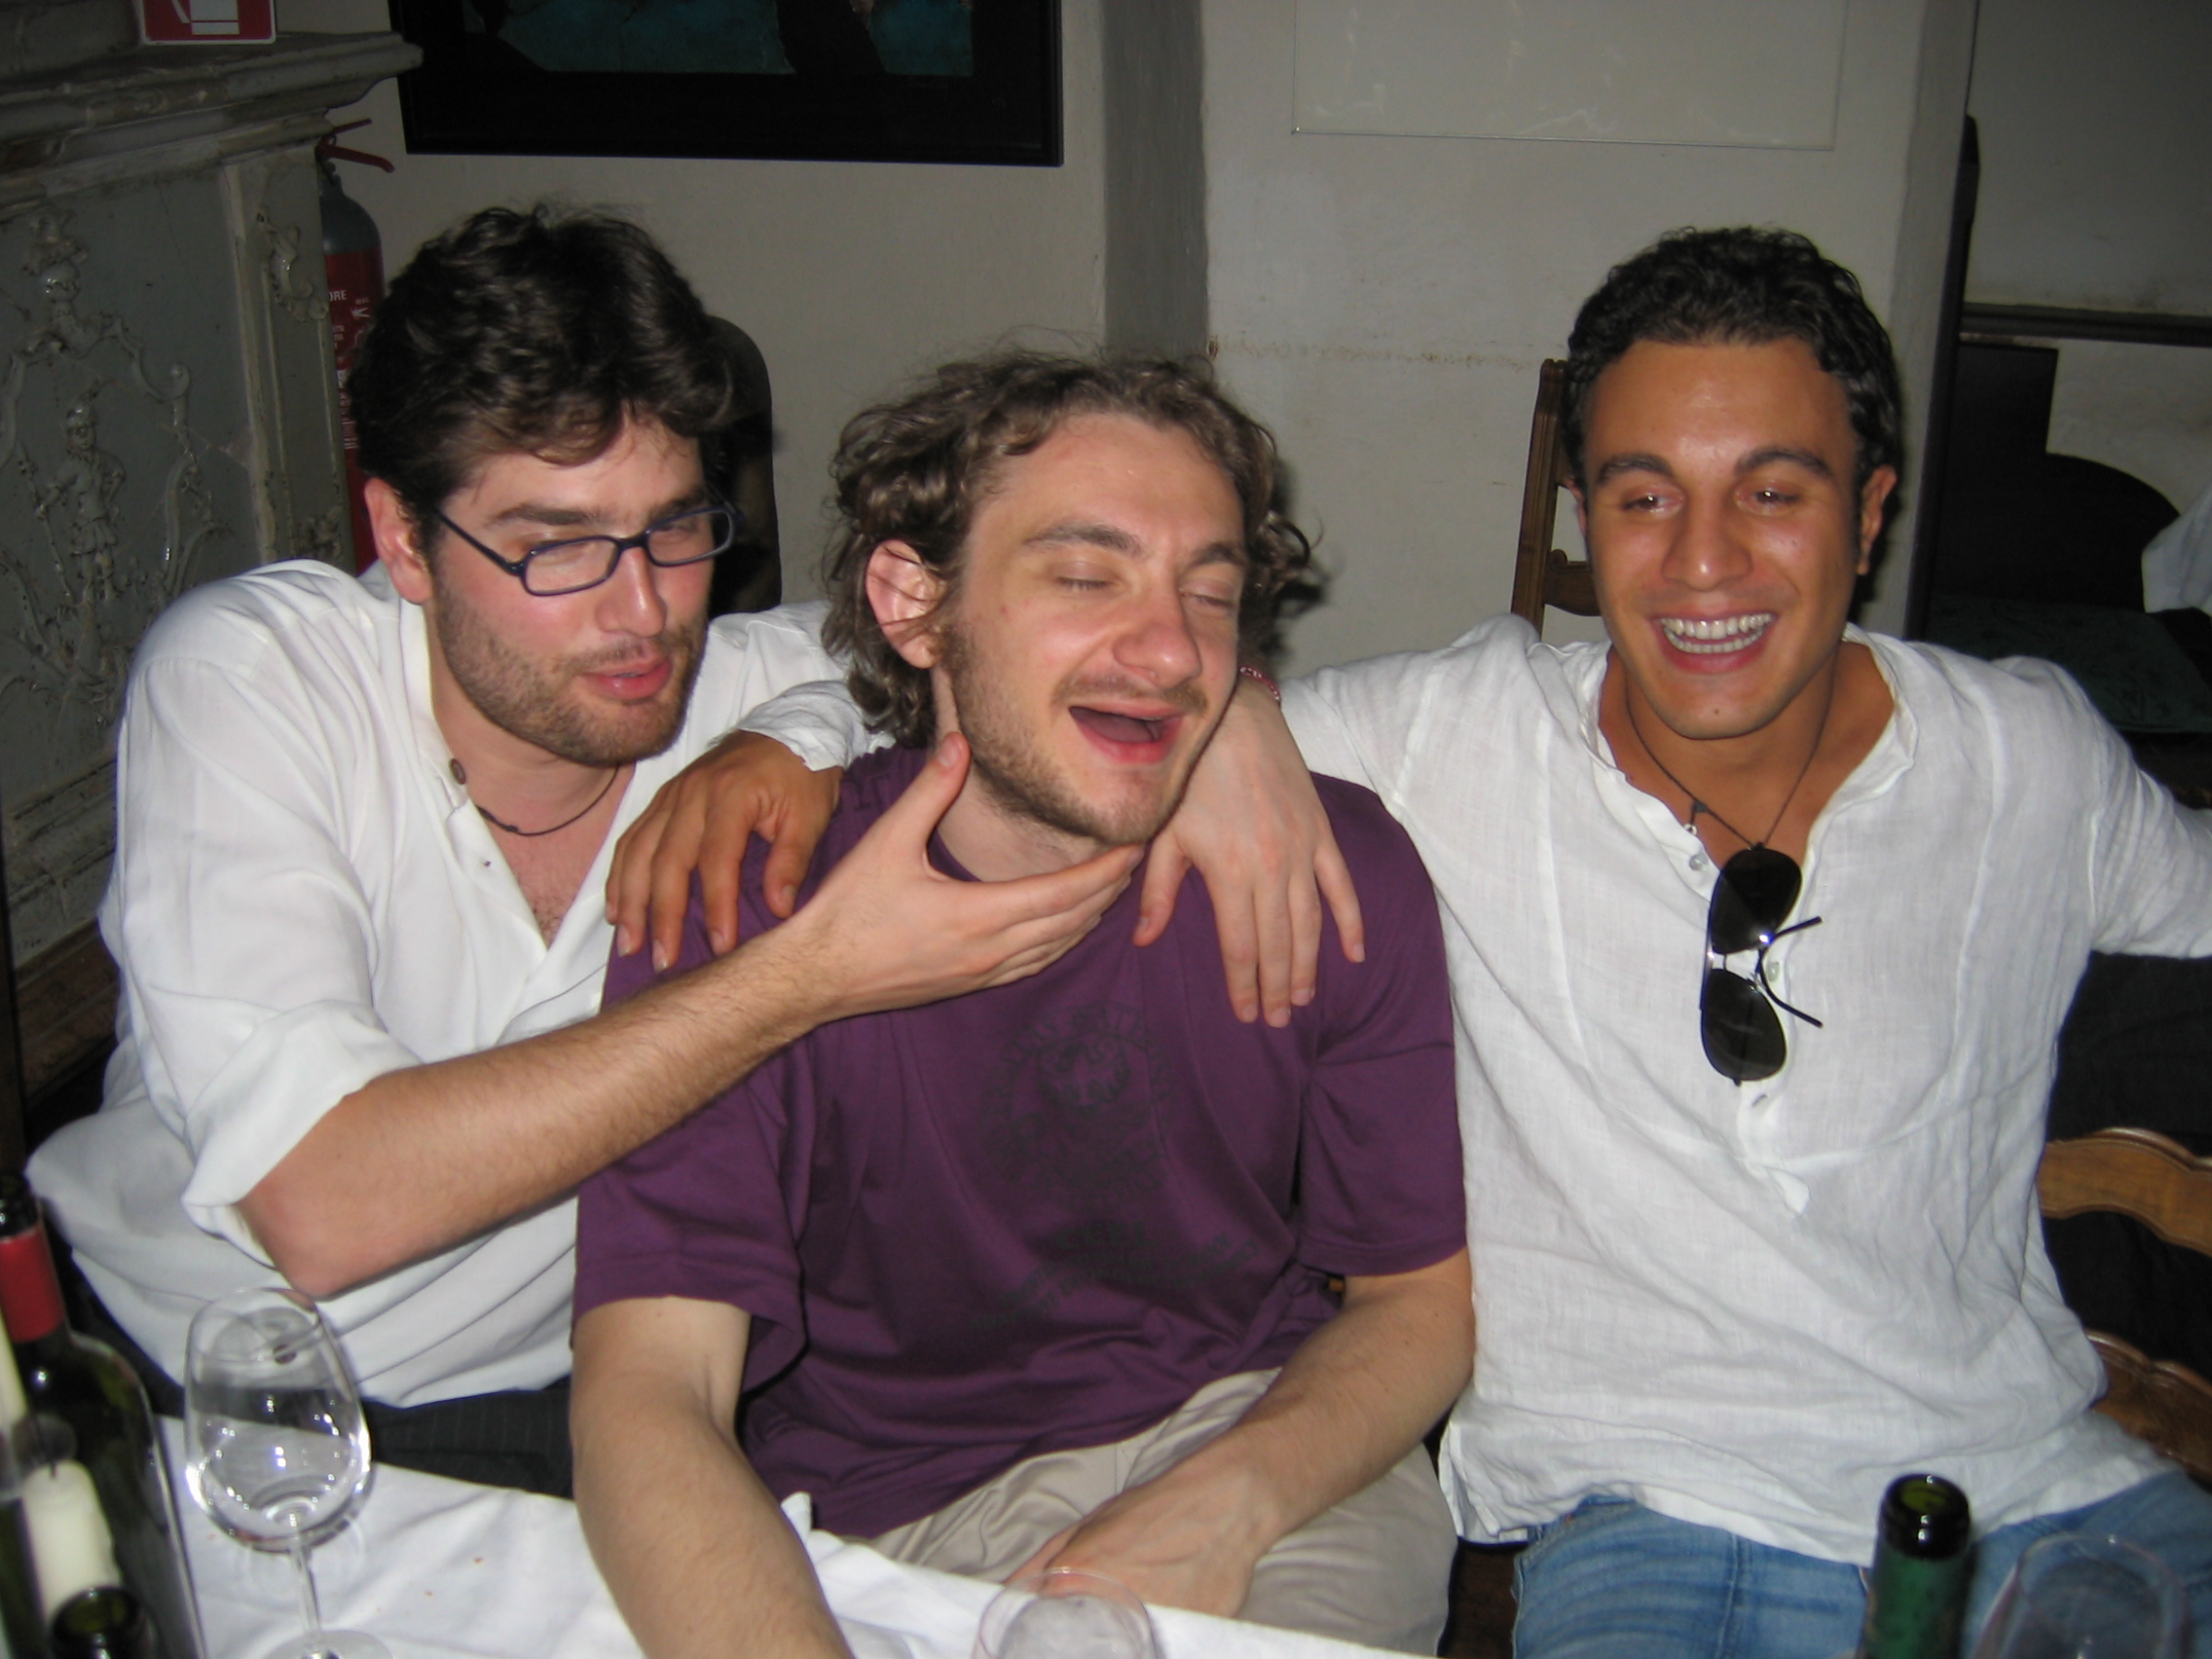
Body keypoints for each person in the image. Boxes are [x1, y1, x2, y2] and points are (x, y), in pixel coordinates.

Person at [714, 229, 2212, 1656]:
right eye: (1642, 496)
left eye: (1773, 492)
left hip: (2045, 1488)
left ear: (1871, 512)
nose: (1703, 564)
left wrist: (1231, 713)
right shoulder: (1455, 736)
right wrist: (784, 740)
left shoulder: (2033, 760)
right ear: (1581, 518)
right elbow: (1020, 687)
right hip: (1664, 1520)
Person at [23, 205, 1151, 1495]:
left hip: (573, 1403)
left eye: (674, 527)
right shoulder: (255, 679)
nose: (643, 611)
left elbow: (1084, 647)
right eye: (556, 545)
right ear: (403, 539)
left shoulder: (746, 687)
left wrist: (1236, 762)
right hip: (195, 1388)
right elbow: (322, 1205)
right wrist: (813, 974)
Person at [569, 353, 1473, 1657]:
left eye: (1209, 592)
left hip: (1271, 1449)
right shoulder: (741, 901)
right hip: (895, 1515)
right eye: (1087, 577)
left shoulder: (1332, 873)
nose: (1171, 652)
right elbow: (649, 1393)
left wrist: (1231, 1498)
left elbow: (1418, 1303)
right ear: (915, 603)